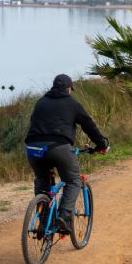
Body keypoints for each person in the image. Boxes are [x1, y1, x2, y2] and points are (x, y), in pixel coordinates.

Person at [24, 74, 108, 233]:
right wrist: (101, 144)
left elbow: (34, 122)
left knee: (42, 181)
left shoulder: (40, 102)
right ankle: (63, 216)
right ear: (69, 88)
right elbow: (88, 126)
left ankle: (43, 222)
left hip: (33, 148)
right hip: (59, 147)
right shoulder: (72, 104)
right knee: (74, 180)